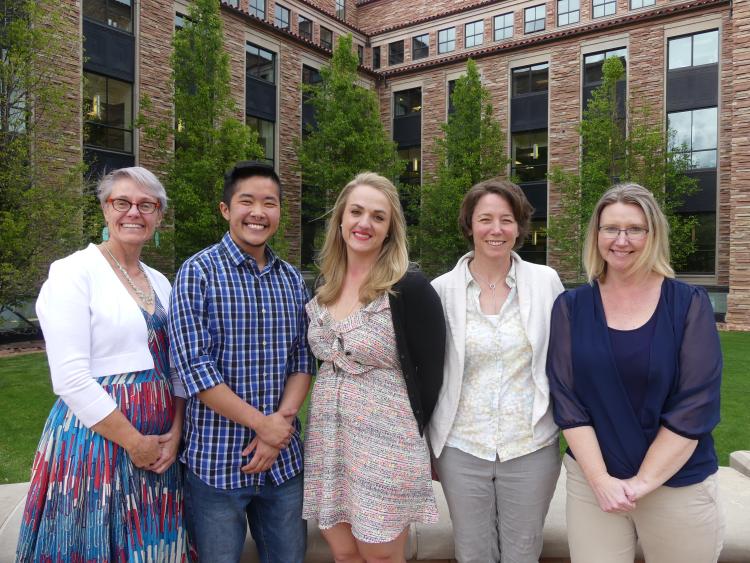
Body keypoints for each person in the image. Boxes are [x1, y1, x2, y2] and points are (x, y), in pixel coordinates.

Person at [16, 167, 189, 561]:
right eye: (122, 202)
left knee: (152, 547)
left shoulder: (161, 282)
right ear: (104, 209)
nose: (134, 212)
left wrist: (175, 433)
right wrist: (133, 441)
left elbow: (177, 365)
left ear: (159, 216)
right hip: (99, 442)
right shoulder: (73, 273)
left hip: (159, 446)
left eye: (147, 205)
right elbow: (71, 378)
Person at [547, 183, 724, 563]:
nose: (621, 240)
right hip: (595, 486)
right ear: (596, 235)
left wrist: (641, 484)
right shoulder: (570, 307)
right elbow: (567, 400)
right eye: (611, 228)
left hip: (676, 483)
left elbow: (695, 405)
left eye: (634, 229)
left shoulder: (688, 304)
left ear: (653, 234)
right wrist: (601, 482)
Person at [168, 161, 314, 563]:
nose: (258, 212)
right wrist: (262, 425)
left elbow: (303, 357)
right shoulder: (197, 272)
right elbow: (195, 368)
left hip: (283, 465)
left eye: (270, 203)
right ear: (225, 209)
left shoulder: (291, 280)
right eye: (246, 201)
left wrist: (277, 427)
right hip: (216, 465)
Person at [303, 172, 445, 563]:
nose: (365, 223)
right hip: (330, 440)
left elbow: (432, 375)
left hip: (386, 443)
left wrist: (405, 438)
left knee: (381, 554)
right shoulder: (323, 284)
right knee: (343, 550)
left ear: (390, 230)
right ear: (341, 220)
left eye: (378, 217)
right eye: (357, 212)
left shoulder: (409, 289)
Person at [429, 179, 564, 563]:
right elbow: (429, 373)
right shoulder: (441, 290)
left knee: (523, 553)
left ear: (520, 227)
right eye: (485, 219)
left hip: (531, 444)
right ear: (469, 225)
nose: (496, 229)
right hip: (461, 445)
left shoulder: (545, 282)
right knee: (472, 554)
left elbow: (563, 359)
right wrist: (428, 444)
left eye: (507, 220)